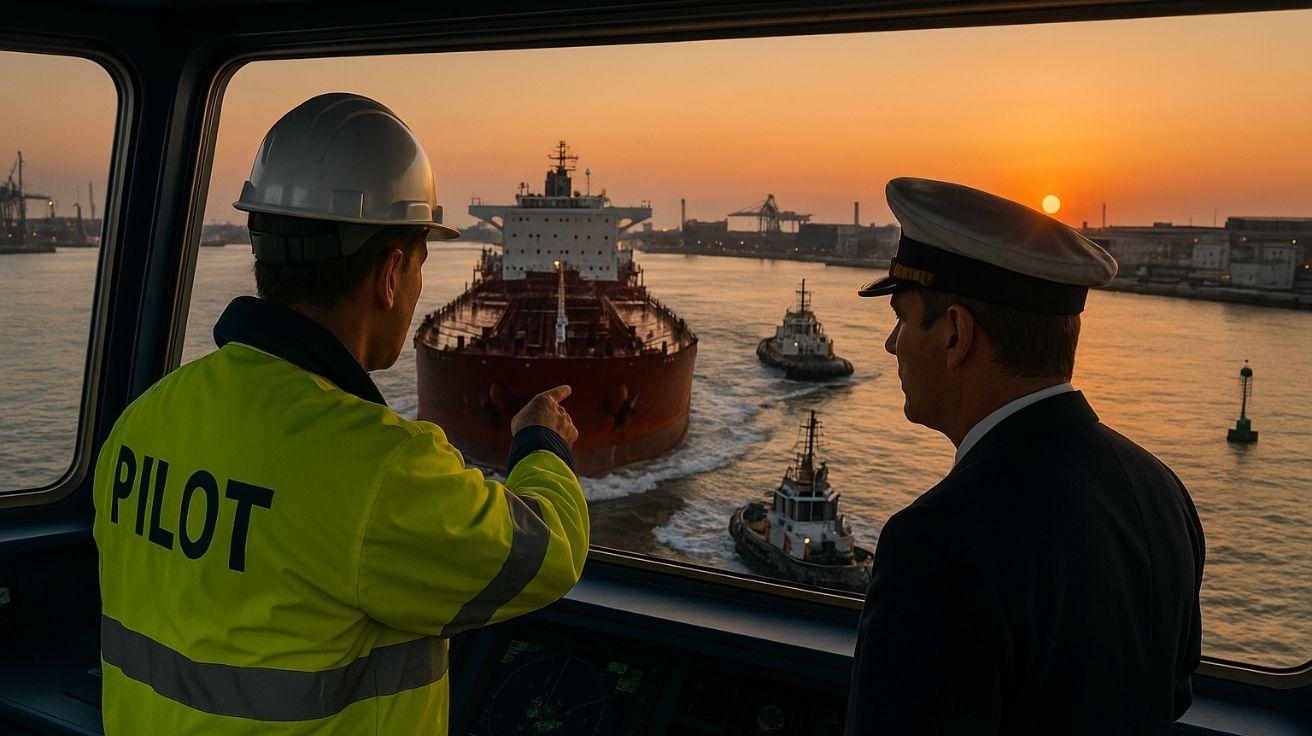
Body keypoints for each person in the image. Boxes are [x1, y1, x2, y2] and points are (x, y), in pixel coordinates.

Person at [92, 93, 589, 735]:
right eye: (419, 265)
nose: (415, 292)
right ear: (388, 275)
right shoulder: (382, 469)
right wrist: (541, 444)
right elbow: (549, 555)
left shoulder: (141, 422)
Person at [846, 177, 1205, 734]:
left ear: (955, 335)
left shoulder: (934, 541)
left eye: (901, 316)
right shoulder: (1163, 491)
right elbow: (1170, 699)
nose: (892, 343)